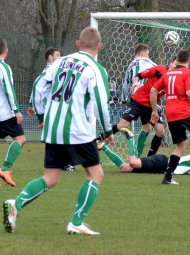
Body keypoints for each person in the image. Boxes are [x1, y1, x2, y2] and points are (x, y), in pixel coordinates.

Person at [3, 27, 114, 235]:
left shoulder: (60, 62)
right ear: (99, 47)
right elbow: (101, 102)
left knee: (51, 177)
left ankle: (15, 205)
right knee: (96, 173)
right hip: (78, 130)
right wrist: (108, 130)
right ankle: (76, 222)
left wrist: (41, 116)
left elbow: (37, 86)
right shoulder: (95, 69)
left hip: (53, 129)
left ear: (78, 44)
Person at [150, 48, 190, 184]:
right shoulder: (188, 73)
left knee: (181, 145)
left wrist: (154, 111)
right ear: (189, 61)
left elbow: (153, 90)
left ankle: (167, 178)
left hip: (171, 114)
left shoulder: (168, 74)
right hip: (184, 113)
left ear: (177, 60)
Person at [97, 44, 158, 156]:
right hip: (141, 99)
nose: (148, 57)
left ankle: (138, 156)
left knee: (147, 127)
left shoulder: (130, 66)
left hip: (138, 99)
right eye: (148, 54)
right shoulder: (146, 62)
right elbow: (159, 70)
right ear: (142, 54)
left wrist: (124, 99)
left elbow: (126, 83)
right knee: (122, 125)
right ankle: (97, 141)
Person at [28, 47, 77, 172]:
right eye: (57, 54)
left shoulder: (50, 70)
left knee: (56, 134)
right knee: (62, 133)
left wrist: (32, 104)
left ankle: (58, 163)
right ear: (50, 57)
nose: (60, 57)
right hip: (51, 108)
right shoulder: (52, 70)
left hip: (49, 108)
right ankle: (65, 163)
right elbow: (38, 86)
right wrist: (38, 110)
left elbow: (38, 87)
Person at [97, 142, 190, 179]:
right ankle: (130, 139)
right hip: (163, 162)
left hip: (162, 170)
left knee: (125, 168)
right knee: (133, 163)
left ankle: (103, 147)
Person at [0, 37, 26, 187]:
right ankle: (5, 169)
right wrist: (16, 110)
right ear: (6, 51)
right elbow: (8, 89)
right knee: (20, 139)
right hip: (4, 114)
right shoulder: (3, 67)